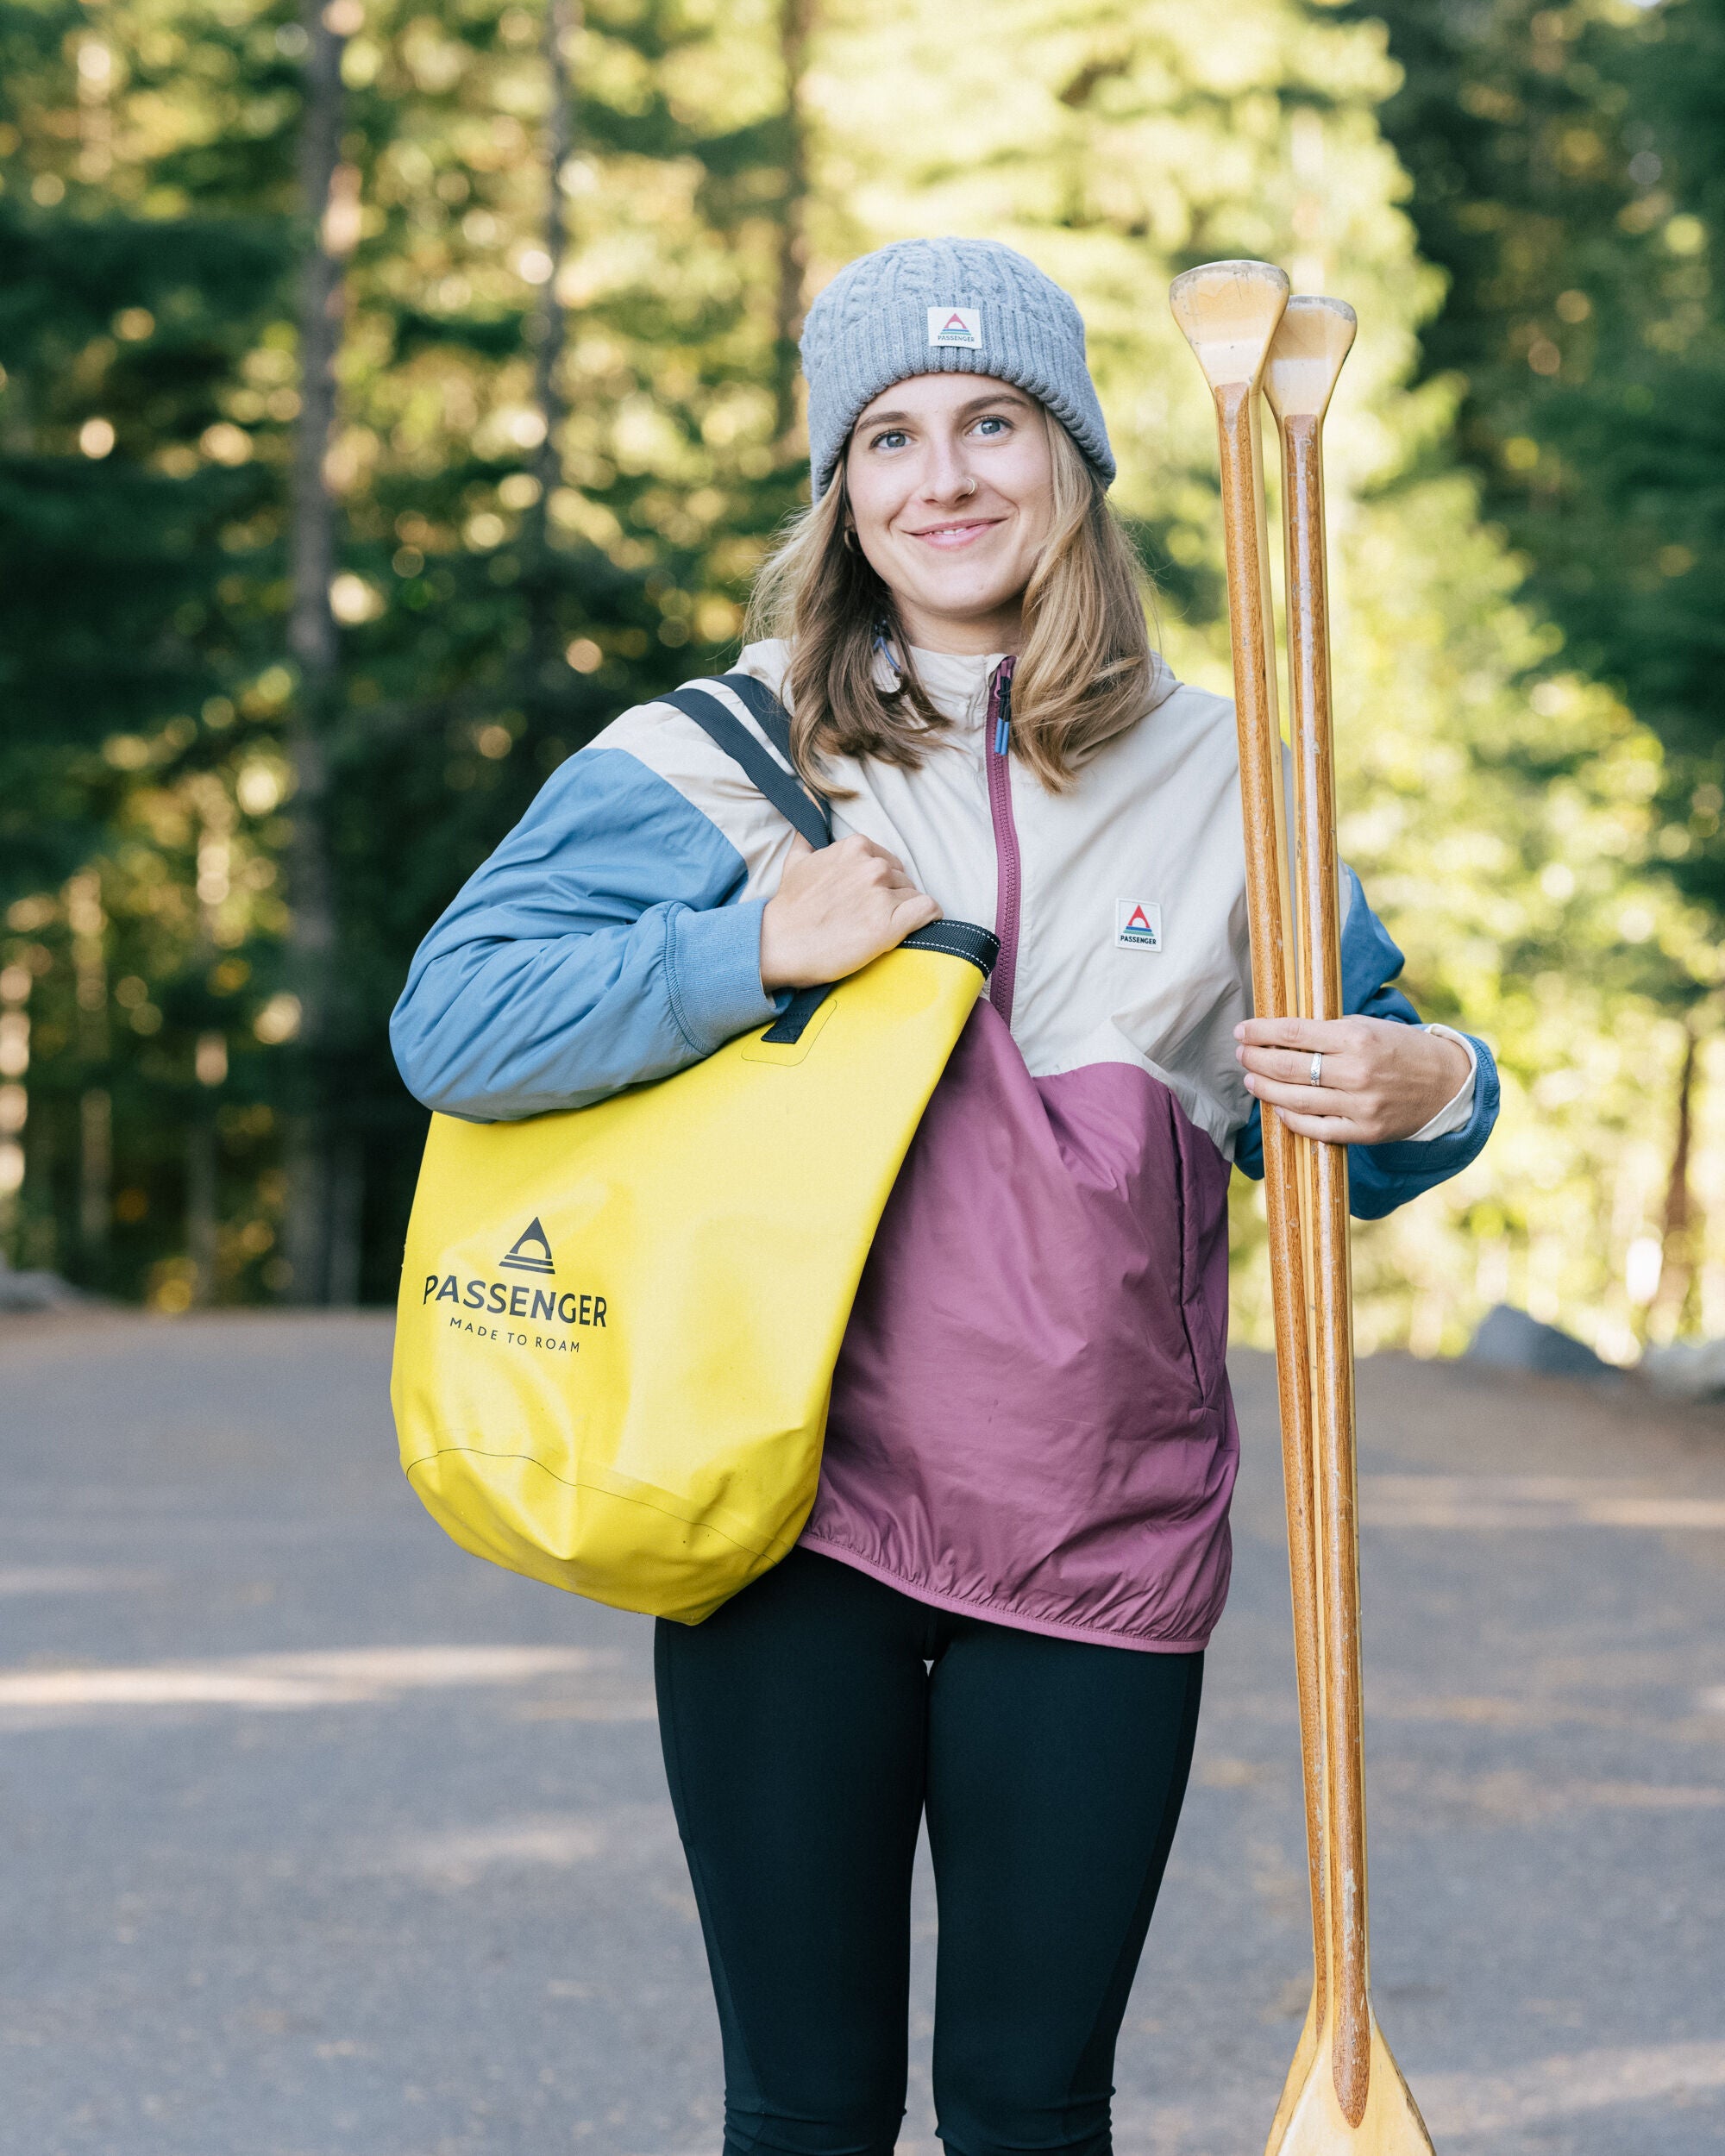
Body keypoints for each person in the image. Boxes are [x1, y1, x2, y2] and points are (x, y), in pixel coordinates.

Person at [391, 237, 1497, 2156]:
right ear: (840, 490)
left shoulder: (1230, 772)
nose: (944, 477)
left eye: (994, 422)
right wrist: (747, 947)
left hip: (1097, 1528)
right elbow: (453, 1020)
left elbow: (1347, 1115)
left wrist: (1441, 1084)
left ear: (1071, 457)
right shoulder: (715, 753)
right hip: (781, 1511)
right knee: (804, 2110)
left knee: (1026, 2107)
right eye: (889, 437)